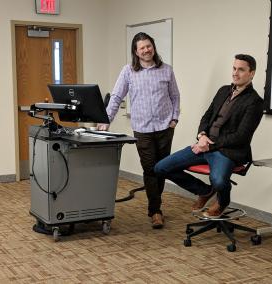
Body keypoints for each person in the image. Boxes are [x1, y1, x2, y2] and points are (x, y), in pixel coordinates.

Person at [154, 54, 263, 218]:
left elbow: (241, 136)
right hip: (204, 144)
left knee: (218, 180)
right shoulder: (223, 90)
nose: (235, 73)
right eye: (234, 68)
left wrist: (209, 145)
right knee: (161, 167)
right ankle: (204, 191)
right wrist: (202, 135)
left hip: (227, 151)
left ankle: (222, 201)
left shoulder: (255, 102)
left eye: (241, 70)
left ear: (251, 73)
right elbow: (207, 117)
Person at [98, 32, 180, 229]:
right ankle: (155, 210)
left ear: (153, 47)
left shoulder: (166, 70)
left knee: (162, 169)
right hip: (142, 129)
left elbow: (175, 96)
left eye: (148, 46)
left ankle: (155, 205)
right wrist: (106, 120)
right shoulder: (128, 72)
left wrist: (174, 118)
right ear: (136, 51)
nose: (146, 50)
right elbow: (116, 97)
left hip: (164, 127)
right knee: (150, 169)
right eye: (142, 47)